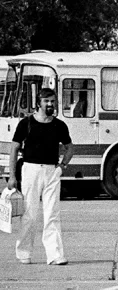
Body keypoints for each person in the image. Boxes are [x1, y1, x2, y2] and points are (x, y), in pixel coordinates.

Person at [7, 87, 72, 266]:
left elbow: (70, 147)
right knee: (30, 214)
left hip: (52, 171)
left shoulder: (59, 125)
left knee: (52, 213)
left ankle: (55, 255)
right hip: (30, 170)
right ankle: (23, 253)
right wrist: (12, 175)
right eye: (46, 101)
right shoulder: (26, 123)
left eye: (52, 101)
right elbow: (13, 148)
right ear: (39, 103)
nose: (50, 104)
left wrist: (62, 166)